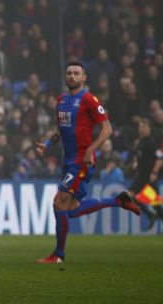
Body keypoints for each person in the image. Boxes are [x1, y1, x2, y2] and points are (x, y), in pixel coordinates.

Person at [35, 62, 140, 264]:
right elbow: (60, 130)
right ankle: (118, 201)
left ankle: (58, 255)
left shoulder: (89, 100)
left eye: (76, 73)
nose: (72, 76)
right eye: (69, 73)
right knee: (71, 210)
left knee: (59, 202)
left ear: (84, 78)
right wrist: (47, 144)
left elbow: (106, 129)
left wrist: (91, 150)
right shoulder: (62, 99)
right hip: (69, 160)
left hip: (81, 161)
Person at [128, 118, 163, 233]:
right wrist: (136, 162)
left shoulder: (151, 142)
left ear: (149, 129)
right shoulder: (140, 142)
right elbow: (138, 156)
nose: (142, 129)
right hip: (140, 176)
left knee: (155, 202)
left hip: (148, 177)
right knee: (129, 197)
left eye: (144, 127)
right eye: (140, 127)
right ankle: (151, 215)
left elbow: (159, 159)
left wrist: (154, 173)